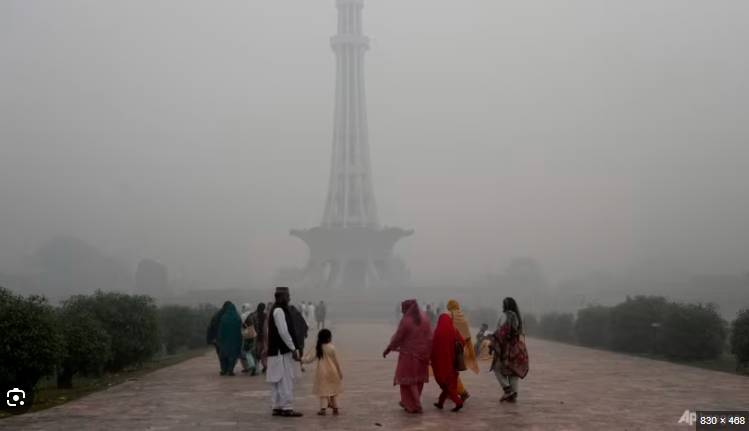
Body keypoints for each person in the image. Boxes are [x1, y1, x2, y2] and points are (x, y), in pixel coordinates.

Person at [383, 299, 432, 414]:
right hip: (423, 355)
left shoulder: (406, 321)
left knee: (408, 381)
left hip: (409, 355)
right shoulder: (424, 318)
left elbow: (398, 337)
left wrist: (388, 349)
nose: (402, 312)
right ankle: (408, 402)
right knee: (418, 380)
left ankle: (416, 405)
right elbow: (430, 336)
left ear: (407, 309)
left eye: (403, 309)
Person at [266, 287, 303, 417]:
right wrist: (292, 348)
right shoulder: (279, 311)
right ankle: (287, 407)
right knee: (285, 380)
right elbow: (283, 332)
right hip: (282, 351)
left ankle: (276, 406)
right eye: (288, 296)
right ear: (281, 297)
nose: (289, 298)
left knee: (277, 380)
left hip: (275, 351)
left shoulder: (274, 310)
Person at [491, 297, 529, 403]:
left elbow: (502, 332)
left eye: (503, 304)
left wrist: (493, 339)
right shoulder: (518, 317)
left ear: (506, 306)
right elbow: (521, 333)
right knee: (513, 371)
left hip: (505, 347)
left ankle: (507, 390)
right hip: (517, 348)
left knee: (496, 368)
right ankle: (513, 394)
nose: (502, 306)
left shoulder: (507, 315)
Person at [302, 329, 343, 416]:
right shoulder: (332, 347)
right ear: (329, 338)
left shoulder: (318, 347)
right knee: (333, 391)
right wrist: (340, 372)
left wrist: (301, 360)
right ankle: (335, 409)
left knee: (323, 392)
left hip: (322, 373)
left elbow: (310, 359)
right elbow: (336, 362)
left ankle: (323, 409)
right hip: (333, 372)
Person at [446, 299, 479, 401]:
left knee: (449, 371)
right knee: (451, 370)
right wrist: (470, 351)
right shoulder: (463, 317)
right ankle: (451, 391)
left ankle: (462, 392)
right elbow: (467, 336)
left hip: (450, 348)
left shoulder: (449, 316)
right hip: (460, 348)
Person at [430, 313, 464, 412]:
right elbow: (462, 342)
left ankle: (458, 402)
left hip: (439, 363)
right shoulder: (454, 330)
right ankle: (440, 403)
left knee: (445, 384)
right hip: (452, 362)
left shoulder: (437, 332)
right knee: (448, 383)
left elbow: (432, 348)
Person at [217, 301, 242, 376]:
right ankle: (230, 370)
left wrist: (219, 338)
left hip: (225, 340)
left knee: (223, 355)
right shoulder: (237, 317)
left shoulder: (224, 317)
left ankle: (224, 370)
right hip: (235, 340)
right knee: (233, 356)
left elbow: (221, 329)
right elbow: (240, 329)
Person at [289, 303, 309, 371]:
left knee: (291, 352)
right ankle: (301, 365)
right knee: (301, 352)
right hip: (300, 337)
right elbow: (305, 325)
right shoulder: (298, 315)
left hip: (292, 338)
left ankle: (291, 367)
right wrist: (305, 333)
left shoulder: (288, 317)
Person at [206, 305, 226, 372]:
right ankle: (227, 368)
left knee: (220, 354)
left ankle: (223, 368)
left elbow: (210, 328)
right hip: (224, 338)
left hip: (217, 339)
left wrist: (211, 339)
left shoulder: (216, 316)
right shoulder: (226, 316)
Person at [250, 303, 268, 374]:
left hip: (254, 337)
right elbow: (265, 327)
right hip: (262, 337)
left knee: (255, 352)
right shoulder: (264, 316)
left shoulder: (253, 315)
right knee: (263, 352)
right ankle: (264, 366)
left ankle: (256, 367)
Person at [239, 303, 257, 375]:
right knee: (253, 351)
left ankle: (252, 366)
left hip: (247, 336)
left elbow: (241, 326)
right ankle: (255, 367)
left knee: (247, 352)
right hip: (254, 335)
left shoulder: (242, 315)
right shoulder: (253, 315)